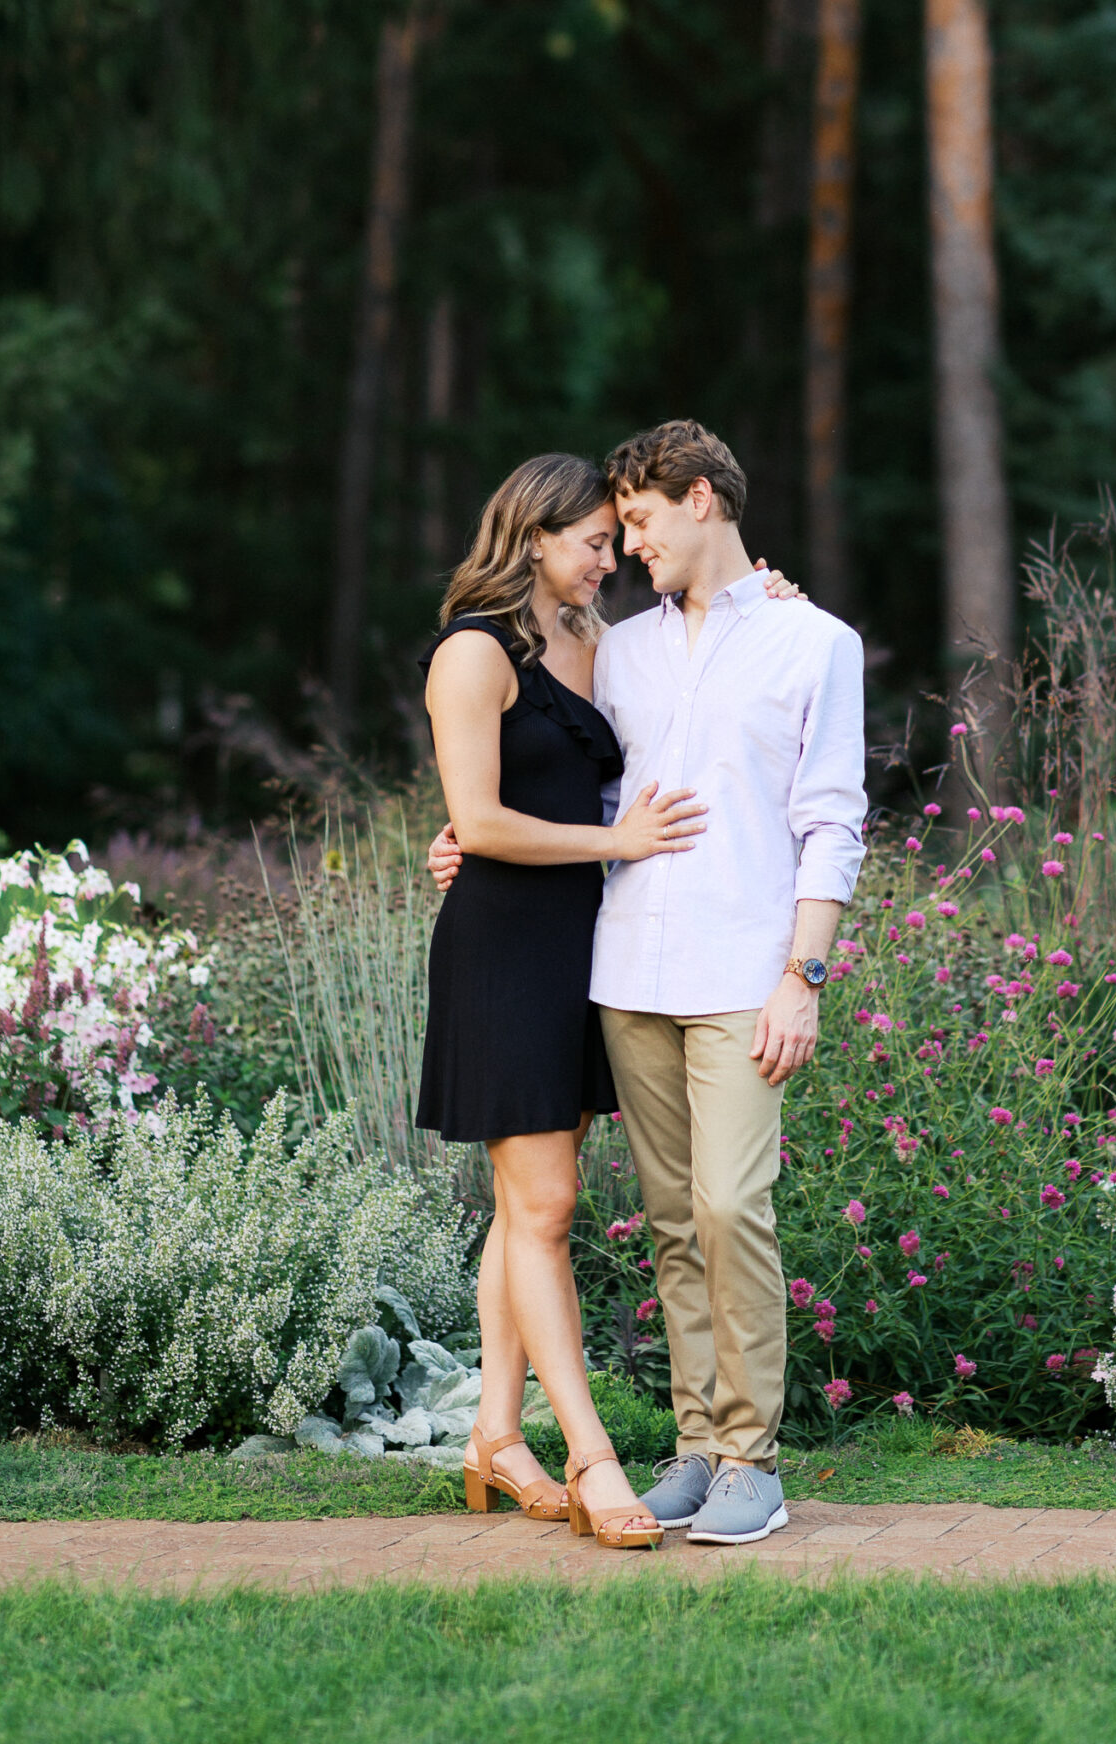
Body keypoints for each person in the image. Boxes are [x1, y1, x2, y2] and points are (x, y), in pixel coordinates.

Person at [431, 420, 866, 1548]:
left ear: (703, 502)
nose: (622, 547)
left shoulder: (814, 641)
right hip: (623, 973)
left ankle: (750, 1459)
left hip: (742, 972)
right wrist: (462, 836)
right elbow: (553, 768)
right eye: (606, 527)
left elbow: (832, 823)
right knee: (671, 1220)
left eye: (636, 519)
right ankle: (692, 1448)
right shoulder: (615, 649)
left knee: (730, 1206)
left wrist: (803, 974)